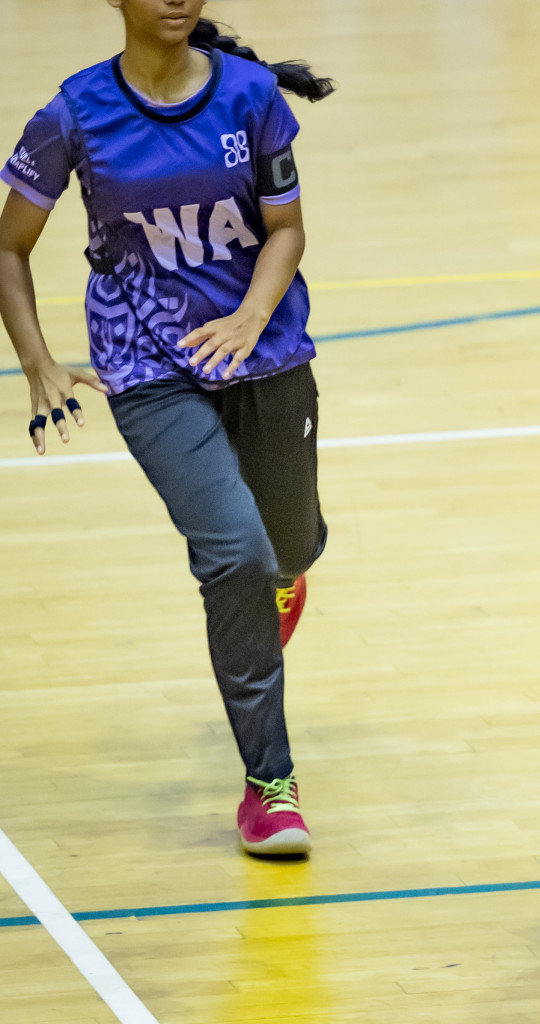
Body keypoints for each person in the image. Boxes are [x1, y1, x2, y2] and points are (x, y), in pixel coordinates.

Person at [0, 0, 332, 855]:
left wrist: (253, 318)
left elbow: (286, 229)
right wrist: (37, 359)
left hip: (267, 355)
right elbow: (9, 246)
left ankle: (284, 578)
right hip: (146, 369)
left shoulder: (252, 97)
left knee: (287, 549)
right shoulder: (74, 113)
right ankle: (271, 787)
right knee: (235, 554)